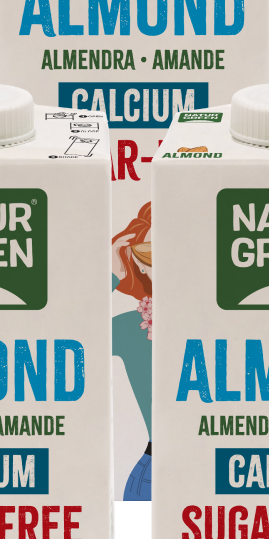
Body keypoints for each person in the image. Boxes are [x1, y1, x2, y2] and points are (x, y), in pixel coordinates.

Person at [111, 204, 153, 500]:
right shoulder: (131, 327)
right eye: (151, 253)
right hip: (154, 476)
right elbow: (69, 340)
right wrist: (113, 274)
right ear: (139, 263)